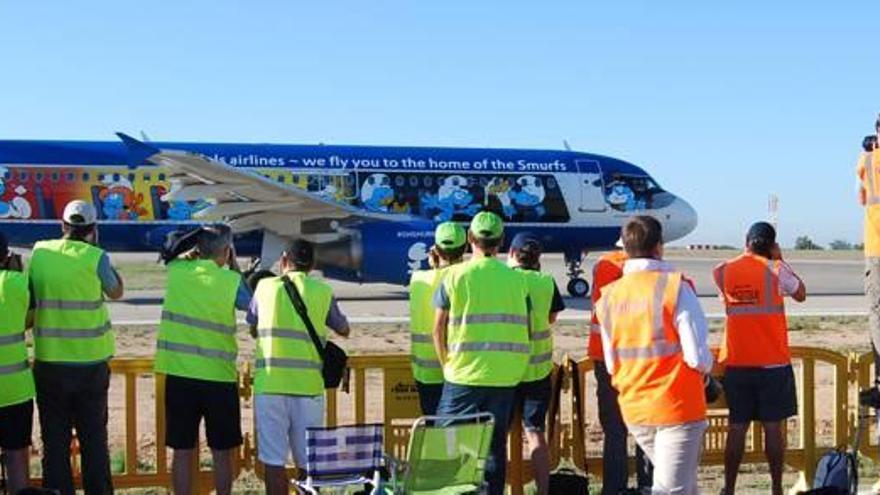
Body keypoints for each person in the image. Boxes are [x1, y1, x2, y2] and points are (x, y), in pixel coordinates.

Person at [595, 215, 713, 495]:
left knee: (681, 486)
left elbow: (612, 364)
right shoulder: (676, 287)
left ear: (623, 248)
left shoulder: (608, 296)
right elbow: (697, 357)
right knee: (673, 489)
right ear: (659, 247)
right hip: (677, 406)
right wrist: (709, 373)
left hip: (636, 409)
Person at [29, 200, 124, 495]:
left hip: (50, 363)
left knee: (54, 442)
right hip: (90, 365)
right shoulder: (96, 257)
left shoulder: (40, 252)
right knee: (93, 440)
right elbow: (116, 291)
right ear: (93, 230)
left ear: (63, 226)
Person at [433, 211, 530, 495]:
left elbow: (437, 329)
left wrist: (445, 365)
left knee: (448, 443)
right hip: (504, 376)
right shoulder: (517, 280)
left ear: (470, 241)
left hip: (463, 375)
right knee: (494, 446)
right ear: (501, 242)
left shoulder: (453, 275)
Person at [246, 239, 351, 495]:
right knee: (307, 463)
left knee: (273, 461)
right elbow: (344, 329)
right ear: (312, 264)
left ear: (284, 261)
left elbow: (252, 325)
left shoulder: (264, 288)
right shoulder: (322, 291)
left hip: (270, 386)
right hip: (308, 388)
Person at [154, 225, 252, 495]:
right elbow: (252, 305)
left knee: (182, 451)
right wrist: (234, 268)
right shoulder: (229, 281)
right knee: (222, 453)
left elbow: (172, 250)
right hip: (218, 377)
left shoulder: (177, 272)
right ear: (226, 251)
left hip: (179, 374)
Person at [713, 222, 806, 495]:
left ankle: (729, 488)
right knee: (773, 429)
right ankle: (776, 488)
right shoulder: (776, 269)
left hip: (738, 363)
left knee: (737, 427)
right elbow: (800, 293)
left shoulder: (723, 270)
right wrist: (780, 259)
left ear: (746, 241)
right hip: (773, 364)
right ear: (771, 245)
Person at [589, 244, 653, 495]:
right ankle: (647, 485)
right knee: (645, 425)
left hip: (605, 357)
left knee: (614, 429)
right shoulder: (646, 269)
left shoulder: (604, 265)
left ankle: (614, 488)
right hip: (640, 357)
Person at [507, 232, 565, 495]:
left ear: (512, 254)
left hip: (506, 370)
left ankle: (505, 487)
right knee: (535, 433)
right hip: (538, 370)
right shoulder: (546, 282)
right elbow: (552, 318)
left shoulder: (505, 280)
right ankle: (543, 491)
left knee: (500, 435)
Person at [408, 221, 467, 415]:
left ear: (435, 250)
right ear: (465, 248)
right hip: (460, 369)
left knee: (435, 431)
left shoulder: (417, 279)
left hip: (426, 372)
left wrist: (435, 267)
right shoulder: (465, 278)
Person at [0, 232, 34, 494]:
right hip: (14, 389)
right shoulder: (17, 283)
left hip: (15, 389)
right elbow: (29, 320)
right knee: (16, 455)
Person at [858, 115, 880, 400]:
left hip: (877, 249)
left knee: (878, 313)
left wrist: (867, 151)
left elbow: (859, 196)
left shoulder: (867, 162)